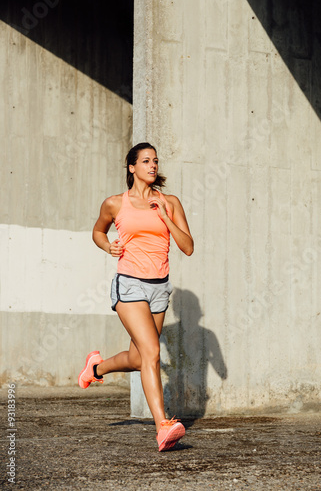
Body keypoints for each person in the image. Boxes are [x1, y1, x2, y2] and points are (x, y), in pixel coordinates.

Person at [78, 142, 194, 451]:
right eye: (145, 161)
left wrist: (166, 218)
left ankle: (96, 368)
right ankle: (162, 426)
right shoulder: (116, 203)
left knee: (138, 357)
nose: (153, 166)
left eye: (155, 161)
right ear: (132, 168)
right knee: (153, 352)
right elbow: (98, 232)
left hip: (159, 287)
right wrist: (108, 246)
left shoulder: (169, 202)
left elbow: (188, 246)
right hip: (129, 285)